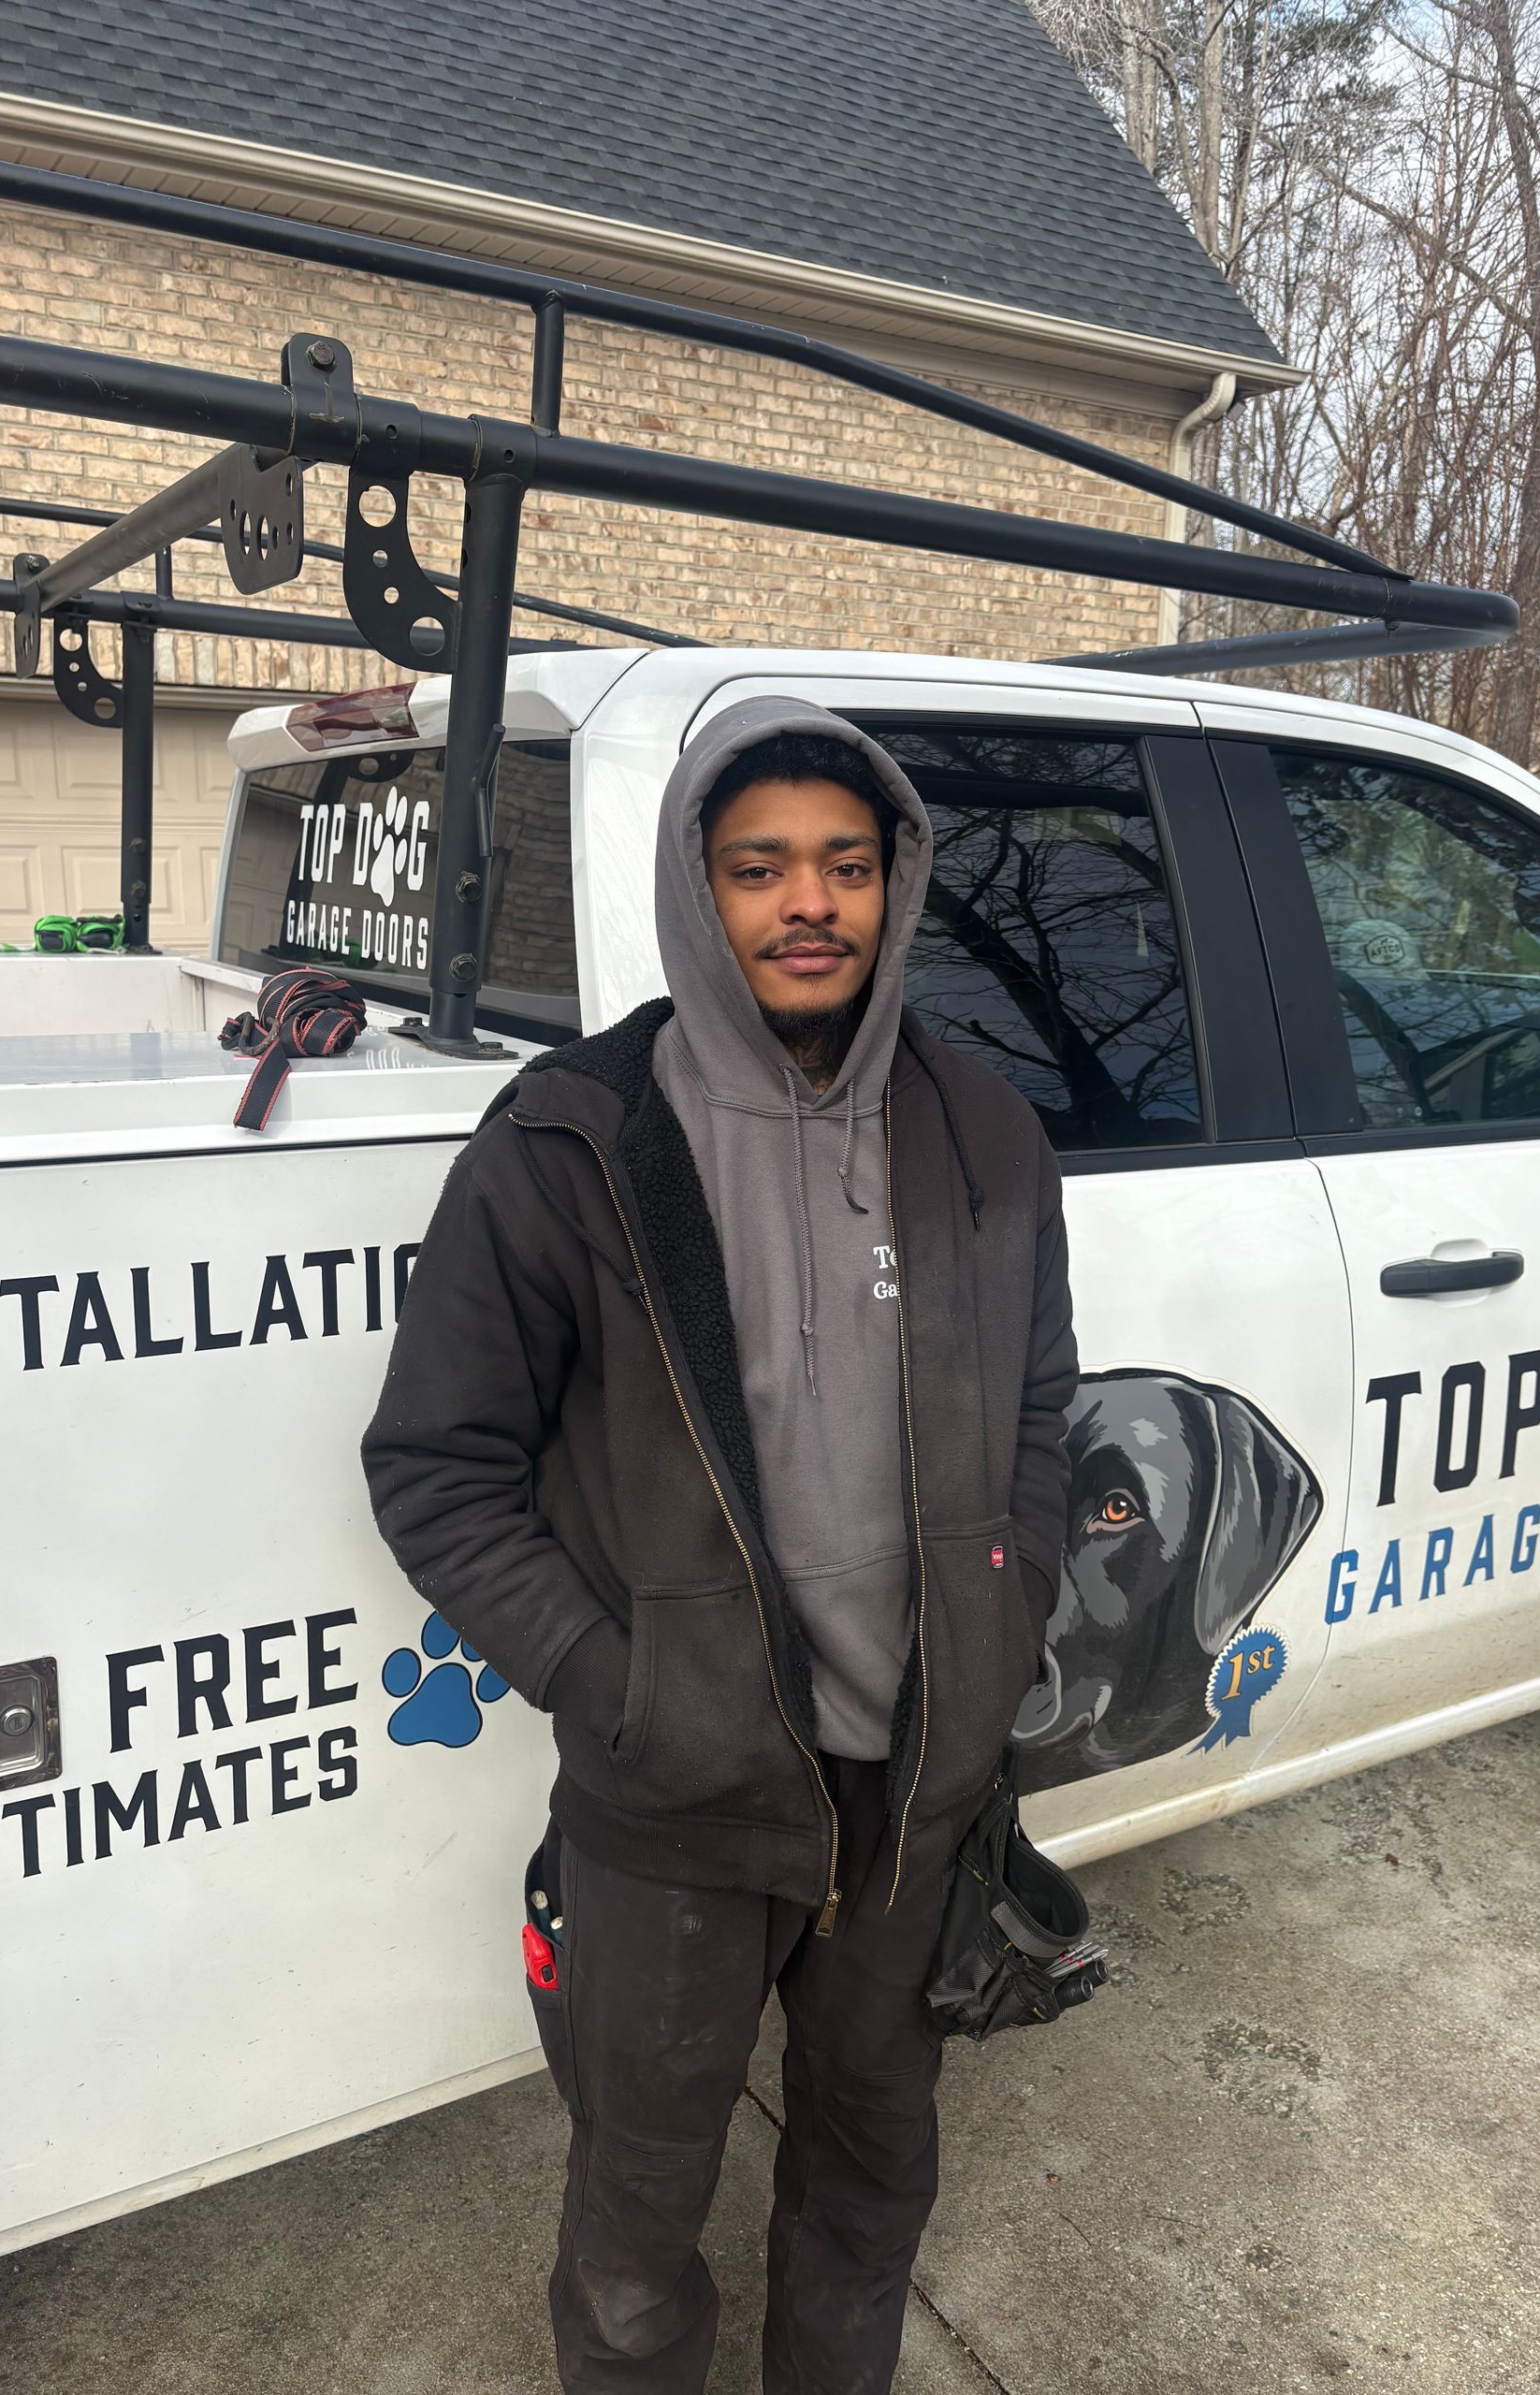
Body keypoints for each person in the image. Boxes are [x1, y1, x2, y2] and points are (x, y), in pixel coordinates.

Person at [362, 697, 1077, 2394]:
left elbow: (1042, 1415)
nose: (806, 902)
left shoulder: (984, 1132)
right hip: (674, 1801)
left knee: (871, 2174)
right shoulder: (574, 1141)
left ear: (896, 885)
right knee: (635, 2221)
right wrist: (618, 1690)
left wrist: (1002, 1620)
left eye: (844, 863)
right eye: (760, 867)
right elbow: (437, 1464)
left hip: (911, 1790)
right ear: (700, 887)